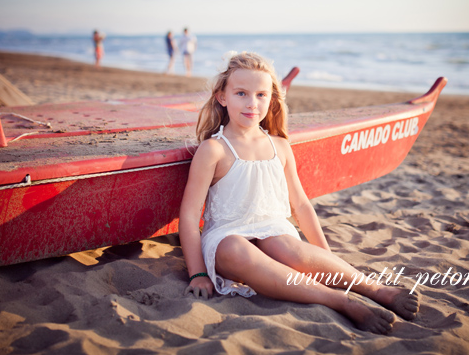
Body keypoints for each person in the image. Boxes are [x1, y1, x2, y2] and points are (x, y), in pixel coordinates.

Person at [178, 52, 419, 335]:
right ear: (222, 97)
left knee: (284, 246)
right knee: (234, 248)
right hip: (227, 236)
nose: (252, 103)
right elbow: (189, 215)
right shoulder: (214, 149)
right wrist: (198, 274)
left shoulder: (279, 146)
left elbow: (301, 206)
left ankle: (378, 291)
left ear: (271, 99)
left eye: (261, 95)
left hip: (271, 229)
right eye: (241, 93)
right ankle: (339, 302)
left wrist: (326, 258)